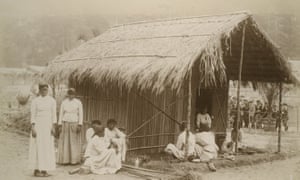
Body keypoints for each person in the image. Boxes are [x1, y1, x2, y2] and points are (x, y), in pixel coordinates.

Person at [29, 83, 57, 177]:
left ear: (48, 90)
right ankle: (37, 169)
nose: (44, 91)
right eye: (42, 89)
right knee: (37, 147)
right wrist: (33, 128)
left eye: (46, 89)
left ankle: (44, 169)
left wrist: (53, 126)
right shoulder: (35, 101)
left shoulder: (52, 101)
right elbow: (33, 115)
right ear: (39, 90)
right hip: (38, 125)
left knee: (47, 147)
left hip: (48, 126)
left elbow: (54, 115)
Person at [57, 88, 83, 165]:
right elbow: (61, 113)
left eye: (73, 94)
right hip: (65, 123)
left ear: (75, 94)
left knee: (74, 142)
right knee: (65, 141)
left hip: (74, 122)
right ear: (67, 94)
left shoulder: (78, 102)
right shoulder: (64, 102)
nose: (71, 95)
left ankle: (74, 160)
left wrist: (80, 124)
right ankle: (65, 160)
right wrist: (60, 124)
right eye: (70, 94)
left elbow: (81, 114)